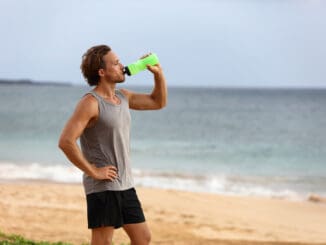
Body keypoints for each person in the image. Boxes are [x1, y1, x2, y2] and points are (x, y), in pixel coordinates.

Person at [58, 44, 167, 245]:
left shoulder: (123, 97)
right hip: (103, 186)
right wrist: (93, 171)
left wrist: (158, 75)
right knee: (102, 242)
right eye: (116, 63)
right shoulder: (90, 103)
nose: (122, 66)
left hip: (125, 184)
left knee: (143, 238)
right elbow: (66, 141)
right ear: (102, 72)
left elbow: (158, 102)